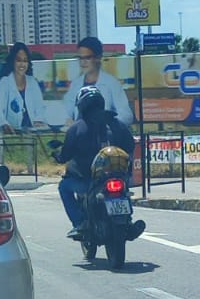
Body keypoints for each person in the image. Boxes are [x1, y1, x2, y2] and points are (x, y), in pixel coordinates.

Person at [54, 84, 145, 242]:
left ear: (81, 106)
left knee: (64, 187)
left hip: (88, 181)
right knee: (123, 191)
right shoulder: (117, 124)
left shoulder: (76, 129)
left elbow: (65, 155)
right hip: (119, 176)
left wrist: (57, 154)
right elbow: (130, 146)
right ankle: (128, 222)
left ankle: (80, 223)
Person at [62, 36, 134, 124]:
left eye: (87, 58)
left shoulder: (111, 83)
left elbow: (126, 115)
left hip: (104, 134)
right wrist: (68, 121)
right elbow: (66, 111)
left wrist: (107, 124)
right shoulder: (75, 85)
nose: (82, 62)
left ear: (98, 58)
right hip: (81, 134)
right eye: (80, 58)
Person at [0, 42, 50, 135]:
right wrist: (3, 124)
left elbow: (40, 107)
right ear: (12, 61)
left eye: (25, 60)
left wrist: (39, 120)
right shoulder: (5, 82)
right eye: (18, 60)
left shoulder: (32, 82)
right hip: (12, 135)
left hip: (33, 136)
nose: (22, 64)